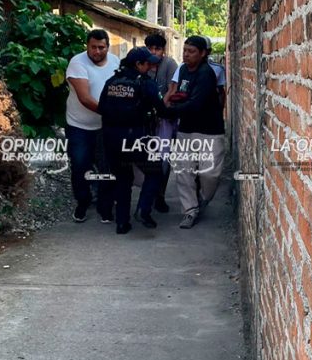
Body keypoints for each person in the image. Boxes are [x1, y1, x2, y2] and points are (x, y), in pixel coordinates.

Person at [97, 47, 173, 234]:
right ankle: (143, 210)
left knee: (123, 178)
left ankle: (122, 223)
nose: (151, 67)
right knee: (155, 172)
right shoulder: (145, 83)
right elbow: (161, 110)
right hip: (137, 137)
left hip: (111, 138)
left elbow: (101, 108)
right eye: (148, 63)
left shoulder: (112, 81)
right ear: (138, 64)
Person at [164, 36, 226, 229]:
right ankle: (189, 211)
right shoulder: (182, 70)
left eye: (191, 52)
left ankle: (202, 199)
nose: (186, 55)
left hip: (210, 130)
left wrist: (169, 111)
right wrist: (171, 101)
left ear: (203, 54)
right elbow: (180, 93)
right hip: (186, 129)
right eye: (185, 50)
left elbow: (195, 103)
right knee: (184, 172)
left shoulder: (207, 73)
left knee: (210, 174)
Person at [65, 29, 119, 224]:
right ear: (87, 46)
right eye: (93, 47)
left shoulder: (115, 62)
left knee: (108, 167)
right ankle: (82, 202)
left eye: (101, 47)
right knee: (80, 166)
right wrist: (114, 113)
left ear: (108, 47)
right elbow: (85, 99)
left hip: (106, 127)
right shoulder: (77, 63)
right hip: (79, 126)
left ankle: (105, 208)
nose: (97, 51)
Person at [144, 33, 179, 213]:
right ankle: (148, 195)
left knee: (163, 159)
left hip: (164, 118)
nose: (153, 52)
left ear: (163, 51)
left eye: (157, 48)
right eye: (150, 48)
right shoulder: (141, 64)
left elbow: (172, 91)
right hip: (144, 118)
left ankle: (160, 196)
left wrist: (159, 109)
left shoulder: (170, 64)